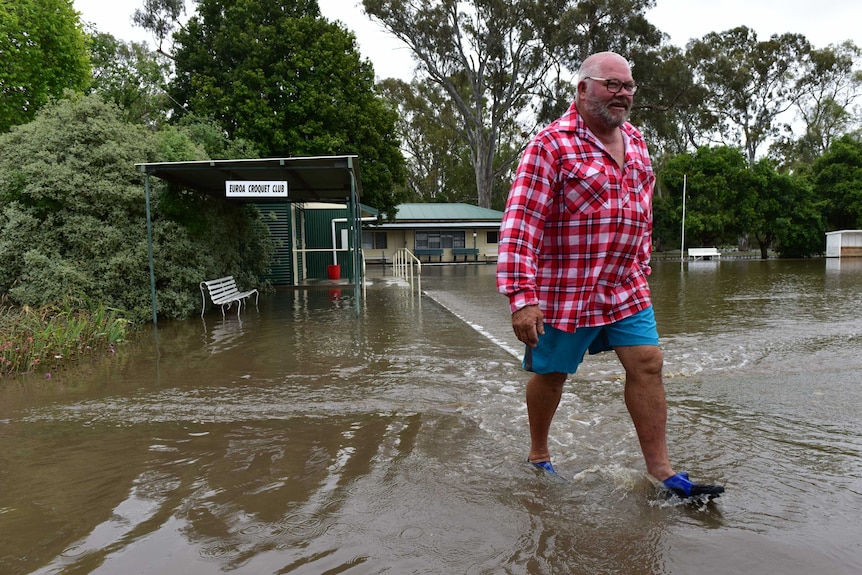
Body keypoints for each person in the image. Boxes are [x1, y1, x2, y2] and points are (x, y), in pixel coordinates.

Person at [496, 51, 723, 499]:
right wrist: (522, 296)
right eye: (611, 84)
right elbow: (521, 222)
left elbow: (643, 211)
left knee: (648, 363)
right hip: (567, 288)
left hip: (624, 284)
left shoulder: (636, 141)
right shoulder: (551, 145)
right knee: (553, 372)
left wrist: (642, 263)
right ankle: (539, 455)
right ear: (583, 89)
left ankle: (663, 473)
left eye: (628, 87)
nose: (622, 94)